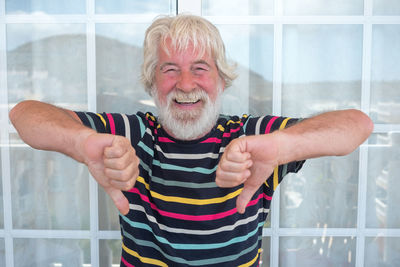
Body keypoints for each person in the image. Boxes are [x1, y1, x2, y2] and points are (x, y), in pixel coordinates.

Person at [9, 14, 373, 267]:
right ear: (152, 83)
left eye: (200, 68)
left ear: (221, 80)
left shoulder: (251, 137)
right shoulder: (135, 134)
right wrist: (82, 142)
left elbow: (356, 125)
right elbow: (24, 115)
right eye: (170, 70)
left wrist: (281, 148)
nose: (185, 84)